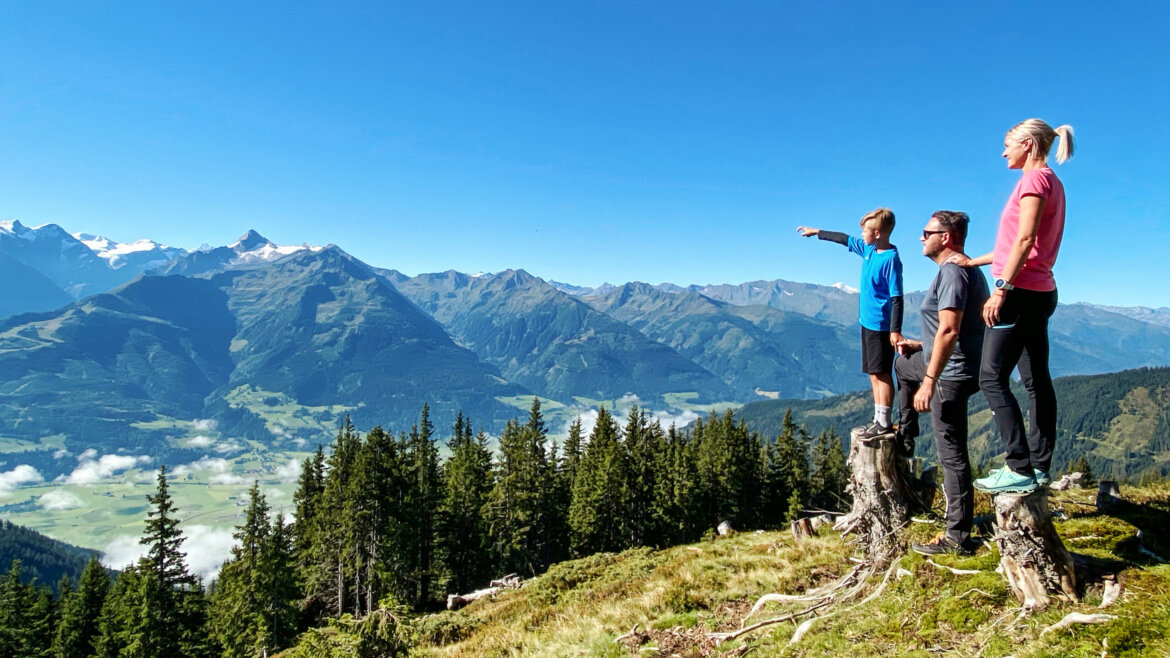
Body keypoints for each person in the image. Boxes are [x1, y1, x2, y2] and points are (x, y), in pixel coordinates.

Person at [952, 119, 1075, 495]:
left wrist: (1001, 289)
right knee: (1036, 379)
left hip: (1018, 293)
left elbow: (1025, 238)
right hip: (1040, 291)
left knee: (991, 377)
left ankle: (1018, 466)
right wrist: (975, 262)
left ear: (1028, 145)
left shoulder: (1034, 181)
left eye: (1008, 145)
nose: (1004, 152)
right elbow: (1019, 246)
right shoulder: (1053, 181)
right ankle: (1037, 466)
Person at [895, 211, 990, 556]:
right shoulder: (962, 271)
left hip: (950, 374)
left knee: (952, 454)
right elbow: (953, 330)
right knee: (904, 364)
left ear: (946, 237)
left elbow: (950, 329)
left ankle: (957, 538)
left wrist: (929, 381)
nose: (921, 238)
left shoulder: (952, 272)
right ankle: (905, 433)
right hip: (955, 364)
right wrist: (921, 346)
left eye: (926, 232)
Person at [797, 208, 904, 440]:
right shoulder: (868, 249)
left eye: (864, 230)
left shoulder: (890, 259)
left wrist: (895, 331)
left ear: (877, 233)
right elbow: (844, 239)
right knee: (873, 373)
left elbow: (897, 298)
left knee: (882, 373)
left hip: (881, 326)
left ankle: (884, 423)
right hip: (866, 323)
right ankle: (878, 418)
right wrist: (817, 232)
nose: (861, 234)